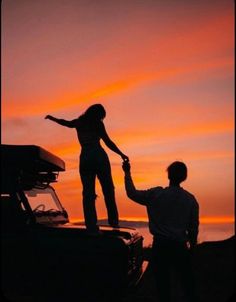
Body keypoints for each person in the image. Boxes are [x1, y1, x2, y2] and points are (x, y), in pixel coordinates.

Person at [122, 160, 199, 302]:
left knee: (162, 287)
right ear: (184, 177)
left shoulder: (156, 194)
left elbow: (132, 193)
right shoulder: (190, 200)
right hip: (180, 248)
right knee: (188, 287)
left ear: (168, 175)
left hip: (161, 247)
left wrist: (127, 173)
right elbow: (193, 229)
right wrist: (192, 249)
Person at [45, 104, 128, 233]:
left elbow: (65, 123)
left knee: (88, 193)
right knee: (108, 190)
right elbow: (107, 142)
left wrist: (53, 118)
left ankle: (91, 225)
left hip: (85, 157)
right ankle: (113, 222)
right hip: (99, 156)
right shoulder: (98, 124)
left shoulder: (79, 122)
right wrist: (121, 154)